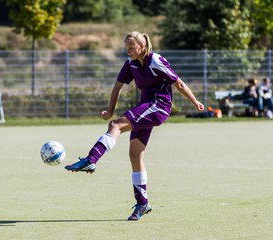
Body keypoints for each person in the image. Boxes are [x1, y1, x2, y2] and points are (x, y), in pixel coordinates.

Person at [65, 31, 204, 221]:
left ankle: (91, 159)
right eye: (126, 48)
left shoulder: (155, 60)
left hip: (158, 106)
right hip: (145, 106)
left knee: (116, 125)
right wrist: (110, 110)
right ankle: (142, 203)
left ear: (142, 46)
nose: (128, 51)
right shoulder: (131, 63)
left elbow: (178, 83)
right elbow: (117, 87)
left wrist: (195, 101)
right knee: (135, 155)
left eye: (131, 48)